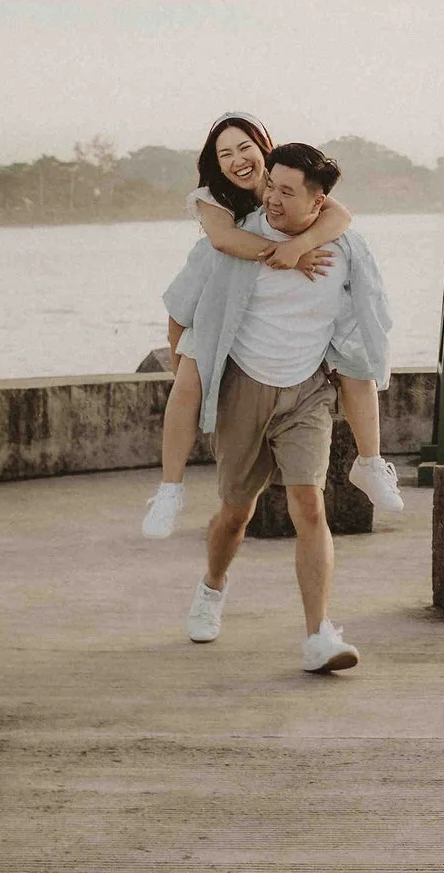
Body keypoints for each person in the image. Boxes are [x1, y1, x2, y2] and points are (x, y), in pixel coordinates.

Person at [164, 141, 393, 672]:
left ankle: (319, 635)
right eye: (271, 186)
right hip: (245, 386)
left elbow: (366, 318)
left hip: (307, 391)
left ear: (318, 205)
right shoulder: (234, 241)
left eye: (287, 192)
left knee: (310, 505)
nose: (272, 198)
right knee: (236, 513)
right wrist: (193, 376)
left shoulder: (346, 249)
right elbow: (180, 309)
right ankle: (212, 588)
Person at [141, 114, 405, 538]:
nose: (238, 159)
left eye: (245, 147)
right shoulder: (212, 196)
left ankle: (370, 461)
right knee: (188, 375)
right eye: (224, 153)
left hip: (270, 292)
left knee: (355, 358)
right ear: (215, 162)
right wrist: (290, 254)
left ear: (263, 147)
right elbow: (224, 241)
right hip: (221, 280)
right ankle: (170, 489)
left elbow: (339, 216)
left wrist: (300, 244)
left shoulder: (281, 178)